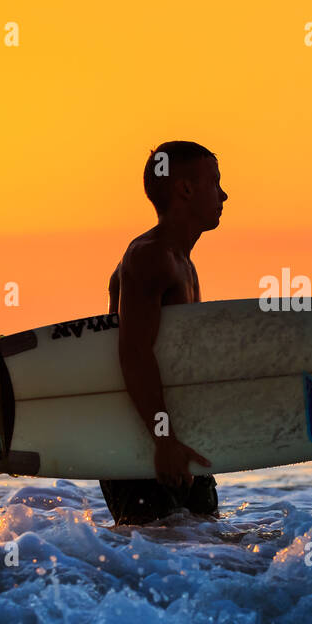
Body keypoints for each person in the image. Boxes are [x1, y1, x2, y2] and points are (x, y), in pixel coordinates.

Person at [98, 141, 228, 525]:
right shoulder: (149, 257)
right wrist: (163, 440)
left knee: (207, 553)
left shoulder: (182, 262)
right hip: (142, 446)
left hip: (173, 440)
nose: (223, 194)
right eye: (214, 182)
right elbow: (133, 353)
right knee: (151, 556)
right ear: (185, 189)